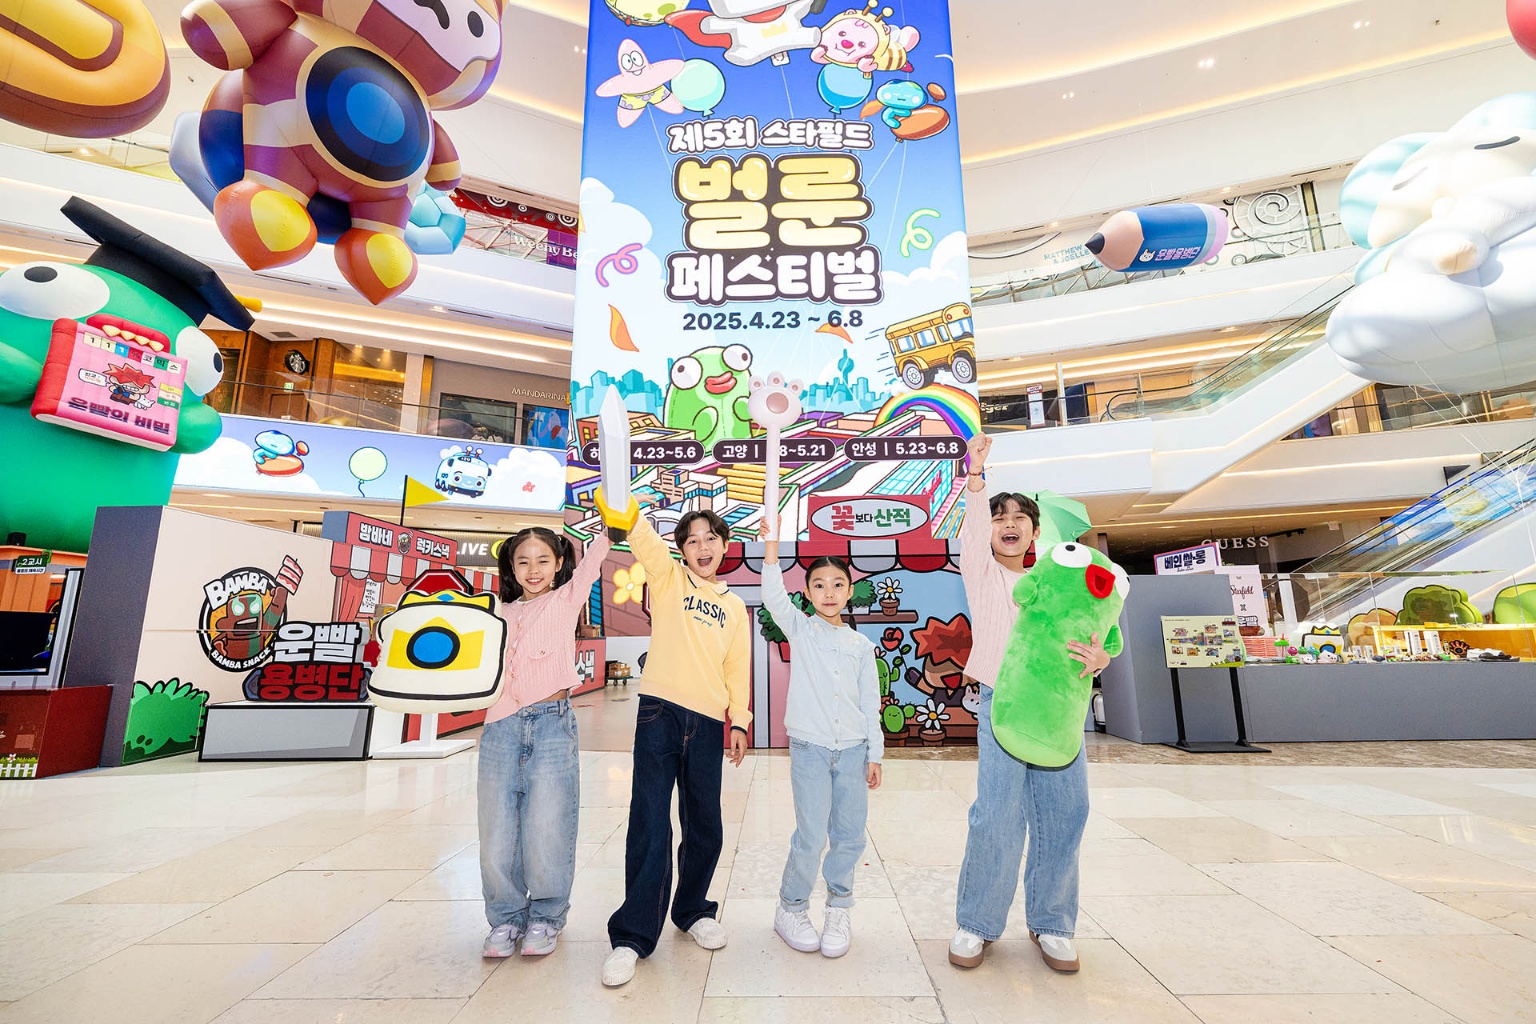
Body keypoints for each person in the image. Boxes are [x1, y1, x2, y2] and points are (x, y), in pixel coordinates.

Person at [950, 433, 1112, 974]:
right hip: (1001, 702)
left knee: (1066, 812)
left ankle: (1053, 923)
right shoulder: (983, 573)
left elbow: (1098, 634)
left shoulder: (1062, 583)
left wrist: (1100, 658)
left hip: (1058, 707)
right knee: (996, 815)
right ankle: (977, 923)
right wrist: (977, 479)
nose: (1009, 524)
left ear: (1036, 532)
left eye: (1020, 517)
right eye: (1000, 518)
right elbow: (973, 534)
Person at [603, 506, 751, 988]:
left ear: (725, 545)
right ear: (682, 550)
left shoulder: (734, 606)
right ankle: (632, 936)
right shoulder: (668, 579)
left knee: (705, 823)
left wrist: (739, 720)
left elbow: (737, 667)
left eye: (710, 538)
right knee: (649, 821)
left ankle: (693, 911)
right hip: (659, 714)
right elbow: (646, 543)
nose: (702, 547)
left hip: (707, 722)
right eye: (691, 540)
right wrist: (626, 511)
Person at [478, 524, 610, 960]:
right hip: (500, 727)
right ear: (511, 568)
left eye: (542, 560)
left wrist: (608, 530)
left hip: (552, 724)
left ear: (558, 564)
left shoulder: (567, 599)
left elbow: (591, 565)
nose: (533, 570)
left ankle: (546, 918)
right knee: (497, 830)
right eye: (523, 561)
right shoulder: (497, 612)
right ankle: (505, 918)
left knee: (548, 825)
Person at [758, 518, 883, 959]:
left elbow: (870, 703)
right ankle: (790, 908)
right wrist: (771, 546)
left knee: (848, 836)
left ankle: (838, 908)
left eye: (838, 584)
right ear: (808, 593)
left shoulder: (861, 646)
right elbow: (773, 596)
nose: (829, 592)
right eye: (819, 585)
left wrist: (874, 753)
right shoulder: (801, 629)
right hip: (810, 750)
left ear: (849, 591)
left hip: (852, 752)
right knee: (811, 835)